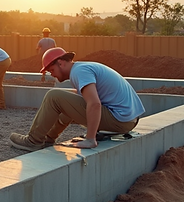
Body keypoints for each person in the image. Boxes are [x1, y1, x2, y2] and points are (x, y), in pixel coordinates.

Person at [10, 47, 145, 151]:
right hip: (128, 119)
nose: (52, 75)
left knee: (53, 96)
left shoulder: (79, 72)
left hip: (120, 120)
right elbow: (80, 99)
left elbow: (94, 104)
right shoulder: (82, 68)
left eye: (52, 70)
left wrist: (90, 139)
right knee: (63, 99)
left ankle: (33, 141)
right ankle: (48, 139)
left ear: (61, 63)